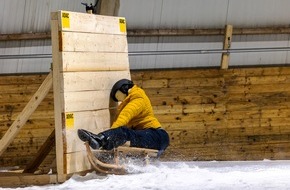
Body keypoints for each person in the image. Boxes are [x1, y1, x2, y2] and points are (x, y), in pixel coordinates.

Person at [78, 79, 169, 156]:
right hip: (150, 136)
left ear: (125, 89)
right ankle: (107, 149)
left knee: (124, 132)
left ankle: (100, 139)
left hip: (157, 135)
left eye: (120, 97)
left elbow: (125, 116)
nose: (121, 100)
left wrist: (112, 133)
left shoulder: (138, 98)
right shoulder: (134, 98)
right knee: (128, 137)